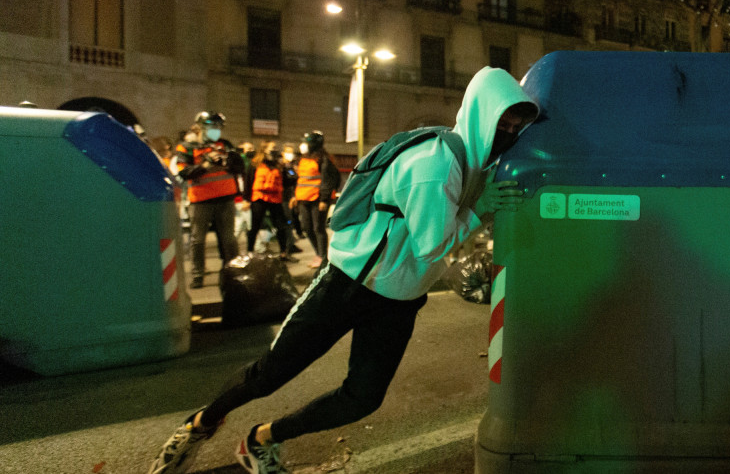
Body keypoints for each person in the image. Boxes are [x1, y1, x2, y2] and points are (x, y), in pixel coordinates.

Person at [147, 67, 540, 474]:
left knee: (362, 399)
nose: (507, 134)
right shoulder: (434, 164)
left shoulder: (480, 166)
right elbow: (432, 246)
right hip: (348, 284)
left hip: (400, 300)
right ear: (481, 116)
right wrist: (479, 211)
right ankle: (199, 425)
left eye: (515, 127)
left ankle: (261, 440)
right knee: (268, 376)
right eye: (502, 124)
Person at [175, 111, 245, 288]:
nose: (216, 131)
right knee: (198, 240)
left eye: (219, 127)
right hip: (201, 200)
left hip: (225, 198)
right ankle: (198, 275)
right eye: (212, 127)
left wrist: (226, 162)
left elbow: (239, 167)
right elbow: (183, 173)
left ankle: (232, 272)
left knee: (229, 239)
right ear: (200, 128)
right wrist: (205, 164)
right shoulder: (186, 147)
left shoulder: (225, 145)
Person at [292, 131, 341, 269]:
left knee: (318, 228)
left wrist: (324, 200)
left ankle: (322, 257)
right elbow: (301, 180)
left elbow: (328, 180)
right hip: (303, 199)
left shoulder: (323, 160)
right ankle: (318, 254)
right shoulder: (303, 159)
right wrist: (295, 197)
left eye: (306, 143)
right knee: (307, 228)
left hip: (317, 200)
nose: (303, 145)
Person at [245, 141, 294, 258]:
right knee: (255, 225)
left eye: (276, 147)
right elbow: (248, 181)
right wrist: (246, 199)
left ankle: (283, 252)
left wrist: (287, 167)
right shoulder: (255, 164)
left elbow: (290, 180)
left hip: (275, 198)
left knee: (280, 225)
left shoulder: (279, 165)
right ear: (264, 149)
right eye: (273, 148)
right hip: (259, 197)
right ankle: (250, 252)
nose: (275, 149)